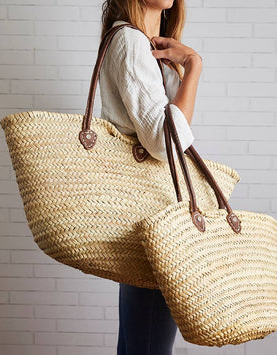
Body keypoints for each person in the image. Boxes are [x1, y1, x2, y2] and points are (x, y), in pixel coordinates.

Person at [98, 1, 203, 354]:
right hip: (155, 218)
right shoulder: (129, 42)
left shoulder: (143, 44)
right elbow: (165, 142)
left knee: (136, 346)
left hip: (144, 214)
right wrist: (194, 67)